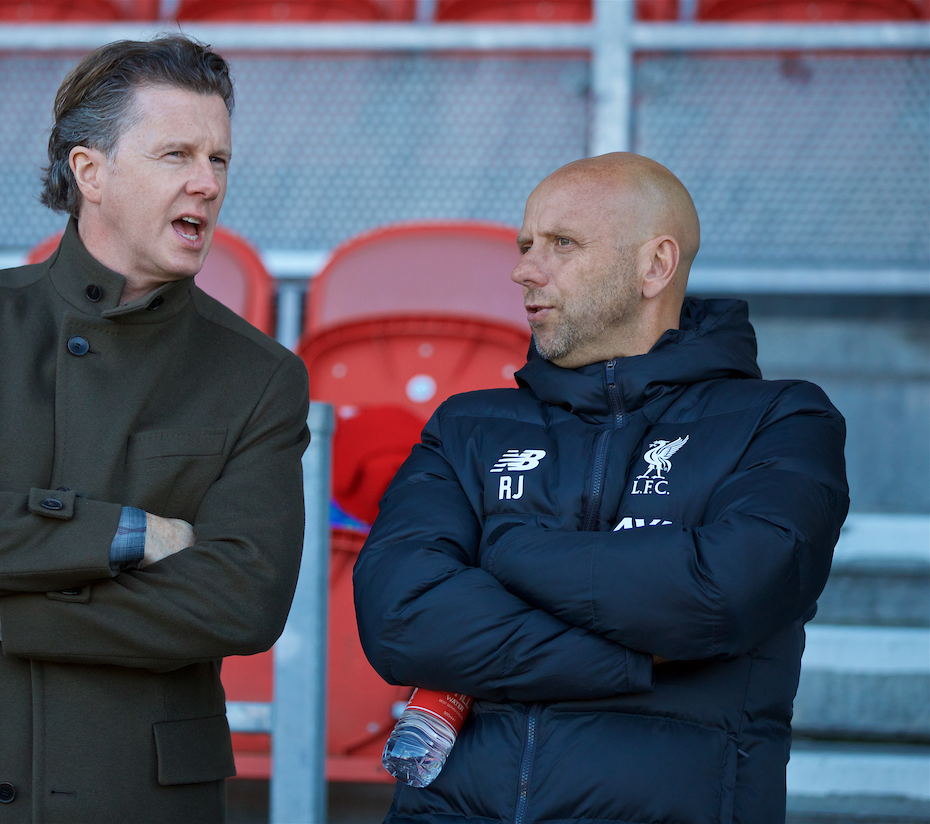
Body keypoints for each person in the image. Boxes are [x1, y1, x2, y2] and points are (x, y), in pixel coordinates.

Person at [0, 35, 310, 822]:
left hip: (136, 795)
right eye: (177, 154)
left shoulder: (259, 375)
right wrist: (131, 535)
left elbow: (241, 603)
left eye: (219, 160)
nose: (207, 183)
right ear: (91, 172)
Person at [353, 153, 849, 824]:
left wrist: (503, 550)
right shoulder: (468, 425)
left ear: (655, 266)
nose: (524, 269)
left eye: (563, 244)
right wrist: (642, 651)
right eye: (525, 245)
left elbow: (719, 595)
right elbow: (401, 622)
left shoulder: (781, 419)